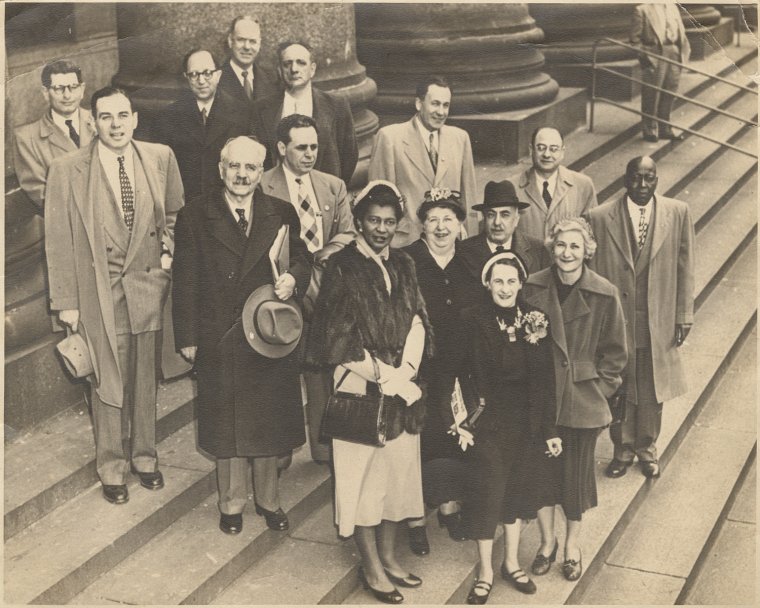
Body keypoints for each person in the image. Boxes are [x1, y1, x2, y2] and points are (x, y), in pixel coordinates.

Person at [45, 86, 184, 504]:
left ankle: (145, 456)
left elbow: (176, 213)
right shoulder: (67, 169)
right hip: (99, 293)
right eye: (106, 117)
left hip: (148, 286)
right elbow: (57, 241)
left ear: (135, 119)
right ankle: (111, 466)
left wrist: (167, 253)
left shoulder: (159, 157)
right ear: (93, 121)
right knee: (106, 378)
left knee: (145, 378)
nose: (116, 124)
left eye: (123, 115)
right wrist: (66, 302)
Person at [171, 136, 311, 534]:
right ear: (221, 170)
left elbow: (303, 258)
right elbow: (184, 280)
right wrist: (188, 338)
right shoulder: (195, 215)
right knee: (228, 424)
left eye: (251, 168)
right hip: (222, 335)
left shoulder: (281, 212)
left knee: (266, 421)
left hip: (267, 332)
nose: (242, 175)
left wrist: (292, 279)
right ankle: (231, 503)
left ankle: (269, 500)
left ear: (261, 173)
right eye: (234, 167)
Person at [306, 181, 431, 604]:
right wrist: (384, 376)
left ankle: (391, 557)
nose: (381, 229)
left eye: (389, 222)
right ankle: (371, 566)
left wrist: (407, 370)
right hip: (362, 385)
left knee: (397, 476)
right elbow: (335, 338)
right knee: (363, 480)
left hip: (402, 387)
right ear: (359, 221)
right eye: (374, 221)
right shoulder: (342, 266)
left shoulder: (403, 263)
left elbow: (418, 317)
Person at [523, 218, 627, 582]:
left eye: (575, 246)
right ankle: (547, 544)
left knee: (576, 479)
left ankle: (571, 546)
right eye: (561, 245)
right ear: (552, 248)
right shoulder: (533, 285)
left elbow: (615, 354)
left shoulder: (603, 292)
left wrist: (600, 391)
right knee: (542, 477)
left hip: (582, 401)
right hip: (542, 398)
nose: (567, 253)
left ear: (587, 252)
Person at [459, 252, 559, 604]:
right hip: (488, 423)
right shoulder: (471, 319)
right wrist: (461, 421)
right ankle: (485, 571)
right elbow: (456, 375)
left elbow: (546, 379)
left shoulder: (536, 319)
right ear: (487, 283)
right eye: (498, 281)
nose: (505, 288)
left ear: (521, 284)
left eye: (511, 281)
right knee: (489, 493)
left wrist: (549, 429)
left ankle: (511, 563)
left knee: (516, 493)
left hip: (525, 423)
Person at [587, 156, 695, 479]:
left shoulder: (677, 213)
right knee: (620, 384)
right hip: (617, 318)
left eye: (650, 178)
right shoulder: (599, 216)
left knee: (650, 386)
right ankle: (622, 449)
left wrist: (683, 314)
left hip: (656, 317)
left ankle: (647, 448)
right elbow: (591, 272)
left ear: (658, 179)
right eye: (636, 178)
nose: (643, 186)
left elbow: (685, 266)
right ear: (625, 179)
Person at [260, 113, 356, 464]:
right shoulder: (262, 184)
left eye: (315, 146)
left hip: (325, 289)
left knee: (320, 368)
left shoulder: (333, 186)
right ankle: (281, 447)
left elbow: (347, 233)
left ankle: (322, 444)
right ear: (282, 148)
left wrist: (317, 259)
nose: (310, 154)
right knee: (281, 369)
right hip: (280, 290)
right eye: (302, 147)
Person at [402, 188, 481, 556]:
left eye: (448, 218)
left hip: (461, 372)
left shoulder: (470, 261)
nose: (440, 226)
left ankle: (449, 506)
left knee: (453, 437)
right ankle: (416, 518)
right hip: (422, 371)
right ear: (422, 224)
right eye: (432, 218)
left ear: (460, 224)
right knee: (421, 441)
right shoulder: (407, 262)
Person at [368, 76, 478, 247]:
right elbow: (379, 203)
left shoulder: (460, 138)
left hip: (450, 244)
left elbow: (469, 199)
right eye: (435, 103)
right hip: (407, 244)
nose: (441, 112)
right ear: (419, 104)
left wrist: (471, 245)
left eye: (446, 105)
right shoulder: (390, 138)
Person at [252, 41, 358, 185]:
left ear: (312, 69)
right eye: (287, 64)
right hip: (277, 194)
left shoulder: (336, 105)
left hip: (322, 193)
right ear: (279, 70)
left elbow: (349, 155)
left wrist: (331, 189)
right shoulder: (262, 108)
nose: (294, 69)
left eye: (301, 63)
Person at [152, 49, 251, 201]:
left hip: (228, 203)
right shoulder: (169, 116)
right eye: (194, 74)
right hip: (186, 205)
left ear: (218, 75)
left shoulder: (242, 113)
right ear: (186, 77)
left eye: (207, 73)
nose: (201, 80)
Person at [13, 59, 95, 210]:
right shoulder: (27, 138)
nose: (67, 95)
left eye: (73, 87)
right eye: (59, 89)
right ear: (45, 93)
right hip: (67, 223)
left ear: (82, 89)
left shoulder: (100, 121)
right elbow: (42, 196)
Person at [512, 127, 598, 241]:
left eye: (553, 149)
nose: (547, 154)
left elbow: (592, 235)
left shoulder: (583, 185)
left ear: (562, 152)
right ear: (531, 149)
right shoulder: (512, 186)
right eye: (541, 148)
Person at [459, 180, 551, 284]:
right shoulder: (463, 251)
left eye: (505, 214)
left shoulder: (538, 251)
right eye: (491, 215)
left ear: (516, 219)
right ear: (484, 218)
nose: (497, 222)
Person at [631, 4, 691, 142]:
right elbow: (634, 40)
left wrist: (682, 52)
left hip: (674, 52)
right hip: (655, 54)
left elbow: (680, 31)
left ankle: (665, 128)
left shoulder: (673, 7)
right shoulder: (642, 9)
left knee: (670, 92)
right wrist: (646, 58)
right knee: (652, 93)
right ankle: (649, 129)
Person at [218, 15, 278, 109]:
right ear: (230, 41)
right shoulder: (215, 79)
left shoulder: (273, 80)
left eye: (252, 41)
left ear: (259, 44)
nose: (247, 47)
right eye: (241, 40)